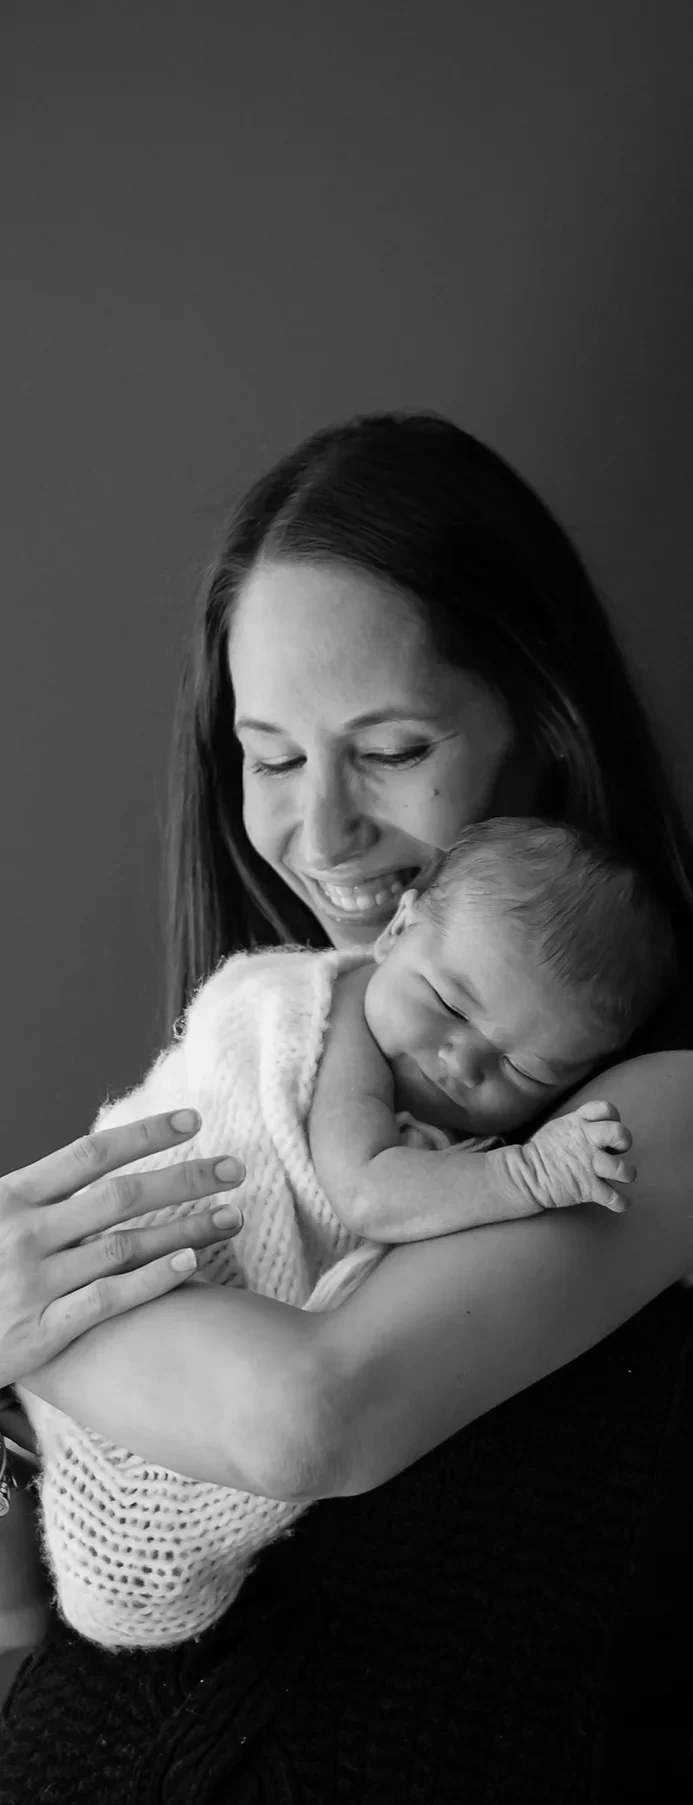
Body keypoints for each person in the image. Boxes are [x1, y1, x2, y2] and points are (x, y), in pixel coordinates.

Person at [1, 411, 692, 1802]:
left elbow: (305, 1418)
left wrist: (18, 1317)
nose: (320, 836)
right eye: (269, 754)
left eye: (385, 748)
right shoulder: (278, 1056)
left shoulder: (658, 1117)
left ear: (540, 731)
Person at [14, 817, 672, 1653]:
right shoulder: (341, 1017)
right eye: (446, 1003)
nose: (462, 1062)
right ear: (395, 930)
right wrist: (527, 1175)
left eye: (528, 1069)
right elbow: (364, 1192)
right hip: (147, 1254)